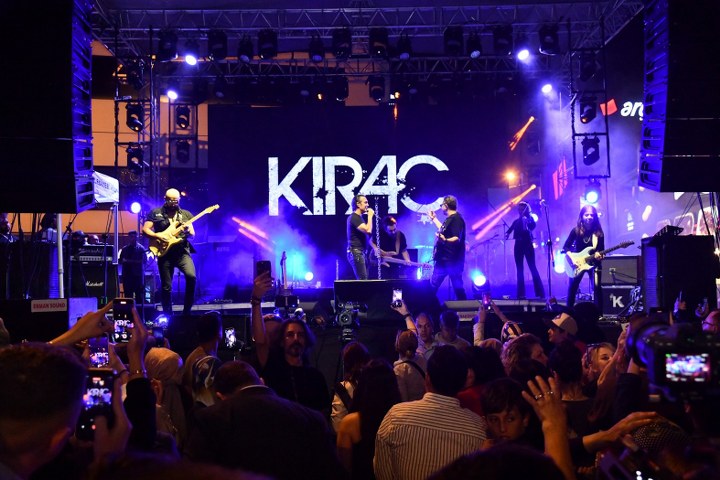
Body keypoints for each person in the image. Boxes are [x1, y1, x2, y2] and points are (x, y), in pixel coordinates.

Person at [184, 361, 346, 480]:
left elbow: (192, 473)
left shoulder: (211, 419)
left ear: (220, 397)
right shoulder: (311, 418)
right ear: (261, 381)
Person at [374, 345, 486, 480]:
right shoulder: (478, 429)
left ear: (427, 379)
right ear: (463, 383)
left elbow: (382, 473)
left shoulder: (395, 417)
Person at [143, 188, 197, 315]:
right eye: (171, 201)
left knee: (191, 277)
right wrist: (157, 235)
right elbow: (145, 229)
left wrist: (187, 232)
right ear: (165, 199)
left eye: (176, 201)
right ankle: (168, 315)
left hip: (182, 252)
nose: (173, 203)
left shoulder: (185, 215)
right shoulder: (156, 213)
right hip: (164, 253)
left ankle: (186, 312)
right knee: (166, 287)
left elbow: (193, 235)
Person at [562, 205, 604, 310]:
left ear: (595, 217)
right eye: (587, 215)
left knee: (597, 289)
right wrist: (572, 259)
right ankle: (568, 313)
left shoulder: (598, 233)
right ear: (582, 216)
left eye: (592, 215)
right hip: (577, 263)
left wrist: (600, 256)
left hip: (593, 264)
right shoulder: (575, 231)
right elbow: (566, 247)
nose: (589, 217)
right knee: (572, 289)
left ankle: (599, 314)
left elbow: (602, 250)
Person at [428, 195, 467, 300]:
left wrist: (444, 240)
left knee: (458, 288)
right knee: (433, 285)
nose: (441, 207)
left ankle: (465, 308)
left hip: (452, 260)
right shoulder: (450, 219)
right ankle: (427, 306)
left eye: (441, 205)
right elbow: (443, 229)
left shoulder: (457, 219)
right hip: (443, 259)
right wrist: (434, 219)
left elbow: (456, 238)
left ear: (446, 205)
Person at [505, 202, 545, 299]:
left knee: (532, 267)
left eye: (522, 209)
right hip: (518, 245)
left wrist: (525, 221)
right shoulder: (516, 221)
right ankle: (521, 294)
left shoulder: (530, 219)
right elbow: (509, 230)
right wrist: (507, 234)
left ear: (526, 210)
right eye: (519, 209)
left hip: (527, 244)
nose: (520, 211)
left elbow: (530, 228)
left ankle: (540, 292)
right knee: (519, 269)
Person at [372, 215, 412, 279]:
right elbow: (371, 241)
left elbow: (404, 250)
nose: (393, 232)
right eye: (390, 231)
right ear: (385, 229)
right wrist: (376, 248)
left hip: (394, 264)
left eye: (394, 230)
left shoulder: (400, 235)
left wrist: (407, 260)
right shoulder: (379, 233)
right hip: (381, 264)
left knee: (394, 281)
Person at [347, 194, 374, 280]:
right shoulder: (354, 217)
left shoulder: (359, 218)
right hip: (356, 253)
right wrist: (370, 216)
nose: (367, 205)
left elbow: (368, 233)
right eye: (365, 202)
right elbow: (368, 230)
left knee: (364, 280)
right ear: (358, 204)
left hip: (361, 253)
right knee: (363, 281)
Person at [119, 230, 147, 305]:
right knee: (128, 296)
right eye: (131, 237)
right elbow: (121, 260)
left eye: (135, 237)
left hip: (138, 276)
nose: (133, 238)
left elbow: (144, 261)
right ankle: (129, 310)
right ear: (129, 237)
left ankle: (139, 311)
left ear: (137, 237)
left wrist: (128, 261)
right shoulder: (125, 249)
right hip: (127, 275)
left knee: (139, 295)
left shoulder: (141, 248)